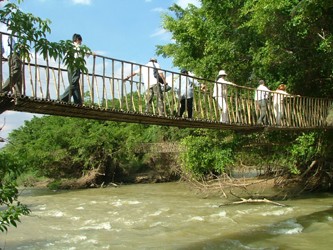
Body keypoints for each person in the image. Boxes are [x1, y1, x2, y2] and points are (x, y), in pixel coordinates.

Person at [60, 33, 83, 105]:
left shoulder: (69, 47)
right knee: (74, 83)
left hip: (69, 66)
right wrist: (92, 53)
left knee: (74, 83)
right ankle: (63, 98)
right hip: (75, 65)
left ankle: (78, 101)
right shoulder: (77, 46)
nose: (81, 42)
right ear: (77, 40)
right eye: (80, 40)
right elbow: (84, 51)